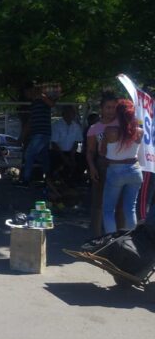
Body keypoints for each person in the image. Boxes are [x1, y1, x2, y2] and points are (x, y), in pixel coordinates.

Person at [101, 99, 143, 233]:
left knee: (108, 210)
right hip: (135, 170)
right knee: (130, 209)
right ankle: (132, 244)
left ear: (117, 114)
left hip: (116, 170)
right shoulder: (139, 131)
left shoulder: (109, 130)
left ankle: (111, 244)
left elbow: (102, 152)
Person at [87, 92, 126, 236]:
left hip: (120, 166)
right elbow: (90, 151)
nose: (111, 111)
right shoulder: (94, 128)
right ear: (101, 109)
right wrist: (91, 167)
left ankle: (119, 239)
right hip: (102, 166)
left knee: (120, 205)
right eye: (108, 107)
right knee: (98, 204)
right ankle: (96, 238)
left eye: (114, 108)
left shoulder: (123, 125)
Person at [20, 84, 55, 185]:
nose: (26, 94)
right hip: (39, 132)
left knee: (29, 155)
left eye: (27, 92)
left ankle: (26, 180)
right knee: (43, 156)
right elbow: (31, 121)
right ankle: (48, 178)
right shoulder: (34, 103)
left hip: (41, 133)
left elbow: (52, 104)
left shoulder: (42, 99)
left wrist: (42, 95)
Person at [50, 105, 83, 184]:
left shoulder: (76, 126)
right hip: (57, 152)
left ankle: (73, 184)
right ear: (63, 114)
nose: (70, 115)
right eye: (68, 113)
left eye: (72, 113)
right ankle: (55, 182)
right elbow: (54, 143)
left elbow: (76, 142)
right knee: (57, 162)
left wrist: (72, 156)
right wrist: (64, 157)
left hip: (71, 152)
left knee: (81, 161)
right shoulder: (56, 125)